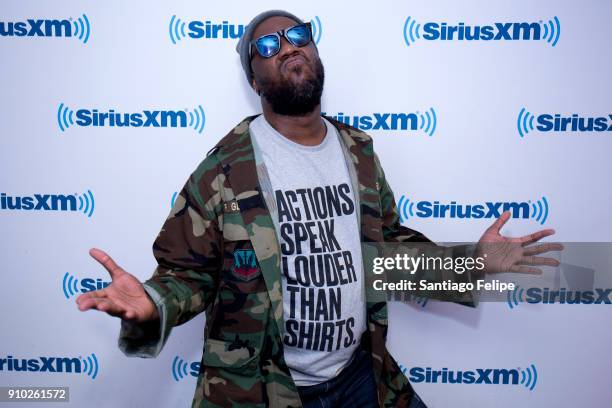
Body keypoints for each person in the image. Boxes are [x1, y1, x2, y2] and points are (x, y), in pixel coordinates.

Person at [76, 10, 561, 408]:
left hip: (360, 377)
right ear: (254, 78)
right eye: (267, 46)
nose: (287, 47)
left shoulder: (358, 151)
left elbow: (387, 251)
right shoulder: (223, 169)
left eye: (297, 35)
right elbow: (188, 274)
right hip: (262, 390)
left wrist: (471, 264)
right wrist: (153, 303)